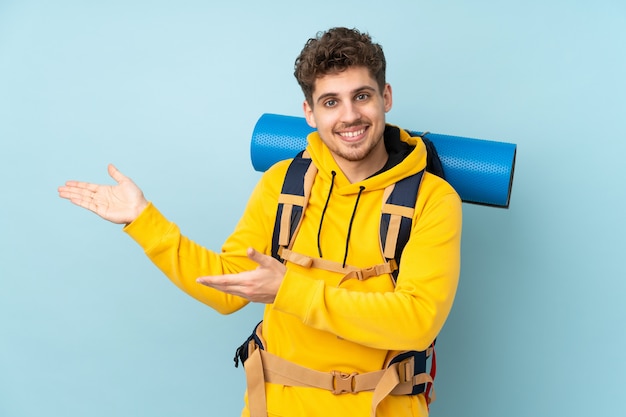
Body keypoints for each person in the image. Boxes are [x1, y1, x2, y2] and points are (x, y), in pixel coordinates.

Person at [58, 27, 462, 417]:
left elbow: (416, 322)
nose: (350, 116)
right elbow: (227, 290)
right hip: (275, 407)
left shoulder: (432, 199)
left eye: (362, 96)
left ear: (385, 97)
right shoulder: (284, 184)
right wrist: (144, 221)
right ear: (309, 112)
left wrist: (289, 290)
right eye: (331, 102)